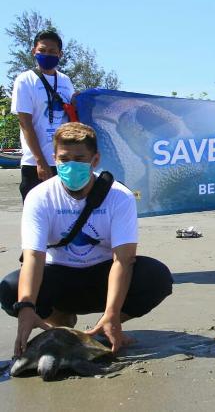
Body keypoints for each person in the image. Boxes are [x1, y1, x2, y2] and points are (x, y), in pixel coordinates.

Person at [0, 122, 173, 356]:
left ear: (95, 160)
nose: (71, 165)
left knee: (157, 276)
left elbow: (123, 259)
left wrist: (112, 312)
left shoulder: (119, 197)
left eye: (80, 158)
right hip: (58, 274)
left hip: (102, 275)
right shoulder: (39, 197)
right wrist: (26, 306)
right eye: (64, 158)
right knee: (10, 289)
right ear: (54, 158)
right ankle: (60, 323)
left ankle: (107, 325)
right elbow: (33, 257)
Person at [11, 29, 75, 201]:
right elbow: (25, 124)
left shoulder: (65, 81)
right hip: (36, 164)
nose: (47, 55)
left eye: (52, 51)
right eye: (42, 50)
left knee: (64, 218)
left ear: (60, 54)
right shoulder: (25, 80)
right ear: (34, 51)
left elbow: (72, 115)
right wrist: (40, 161)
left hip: (64, 161)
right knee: (37, 218)